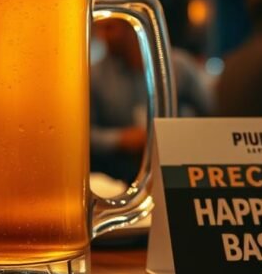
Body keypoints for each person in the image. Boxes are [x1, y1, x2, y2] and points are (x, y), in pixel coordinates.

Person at [90, 18, 210, 183]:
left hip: (177, 168)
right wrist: (120, 139)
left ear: (132, 27)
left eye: (110, 28)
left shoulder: (177, 65)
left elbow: (210, 113)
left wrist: (178, 133)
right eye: (99, 29)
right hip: (119, 175)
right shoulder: (95, 74)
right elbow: (83, 135)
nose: (102, 36)